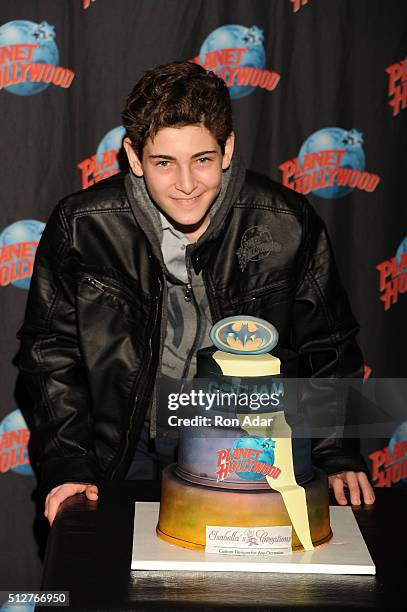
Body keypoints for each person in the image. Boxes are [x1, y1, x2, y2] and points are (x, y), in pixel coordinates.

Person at [18, 61, 375, 527]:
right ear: (133, 156)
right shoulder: (84, 225)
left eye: (202, 160)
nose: (186, 185)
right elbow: (49, 354)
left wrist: (335, 455)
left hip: (251, 452)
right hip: (122, 453)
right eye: (163, 163)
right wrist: (68, 463)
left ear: (227, 149)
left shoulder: (285, 221)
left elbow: (328, 347)